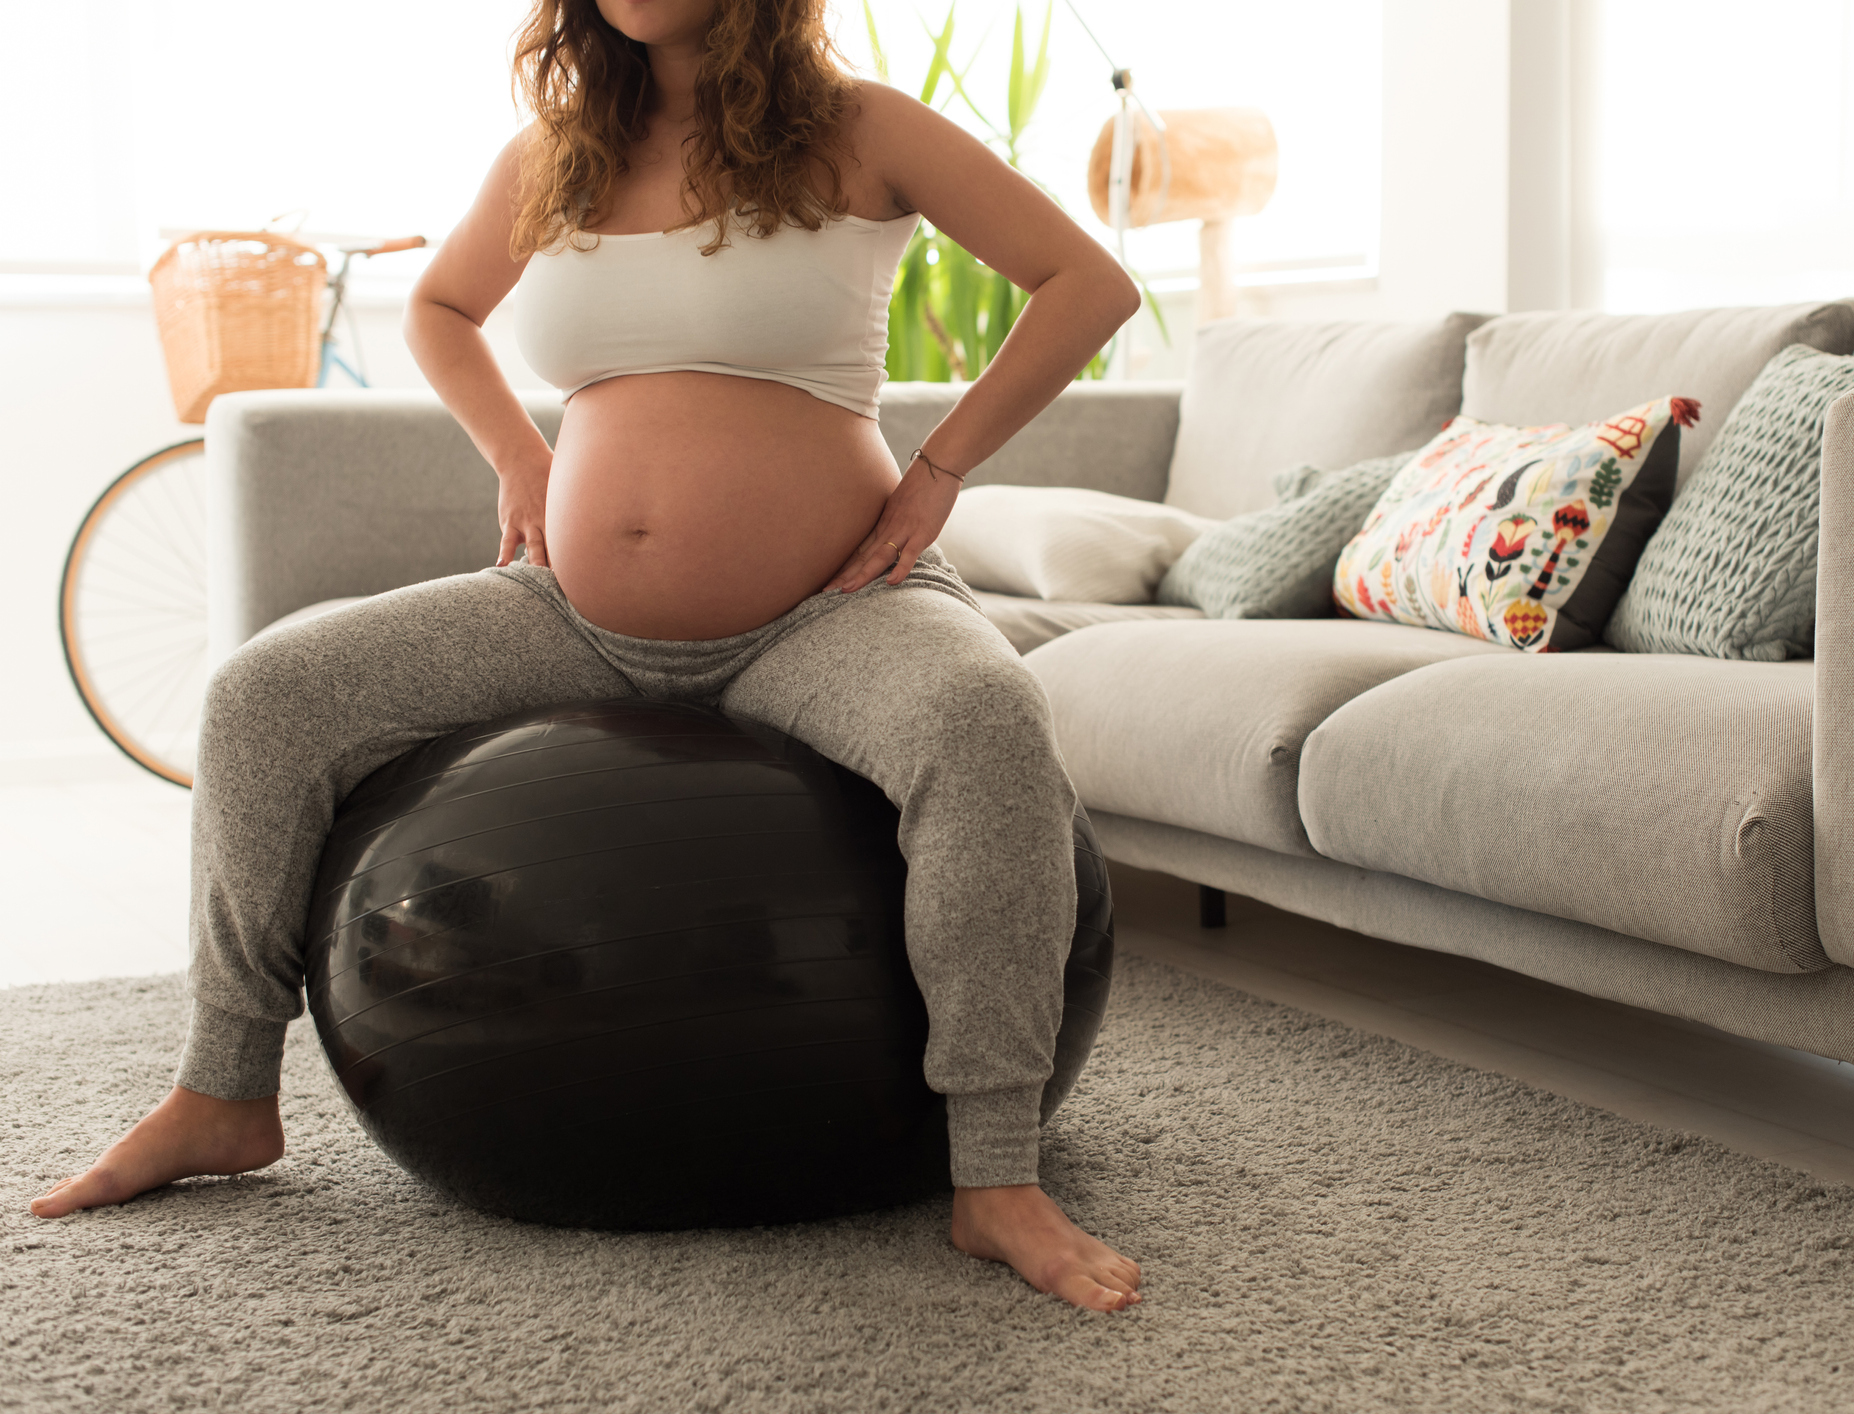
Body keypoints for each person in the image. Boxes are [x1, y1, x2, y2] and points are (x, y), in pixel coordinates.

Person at [33, 0, 1143, 1313]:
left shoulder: (863, 129)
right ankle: (223, 1089)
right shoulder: (552, 154)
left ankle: (996, 1176)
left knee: (987, 714)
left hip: (830, 609)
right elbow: (444, 306)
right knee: (269, 691)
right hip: (568, 614)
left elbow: (1090, 283)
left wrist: (941, 467)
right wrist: (519, 452)